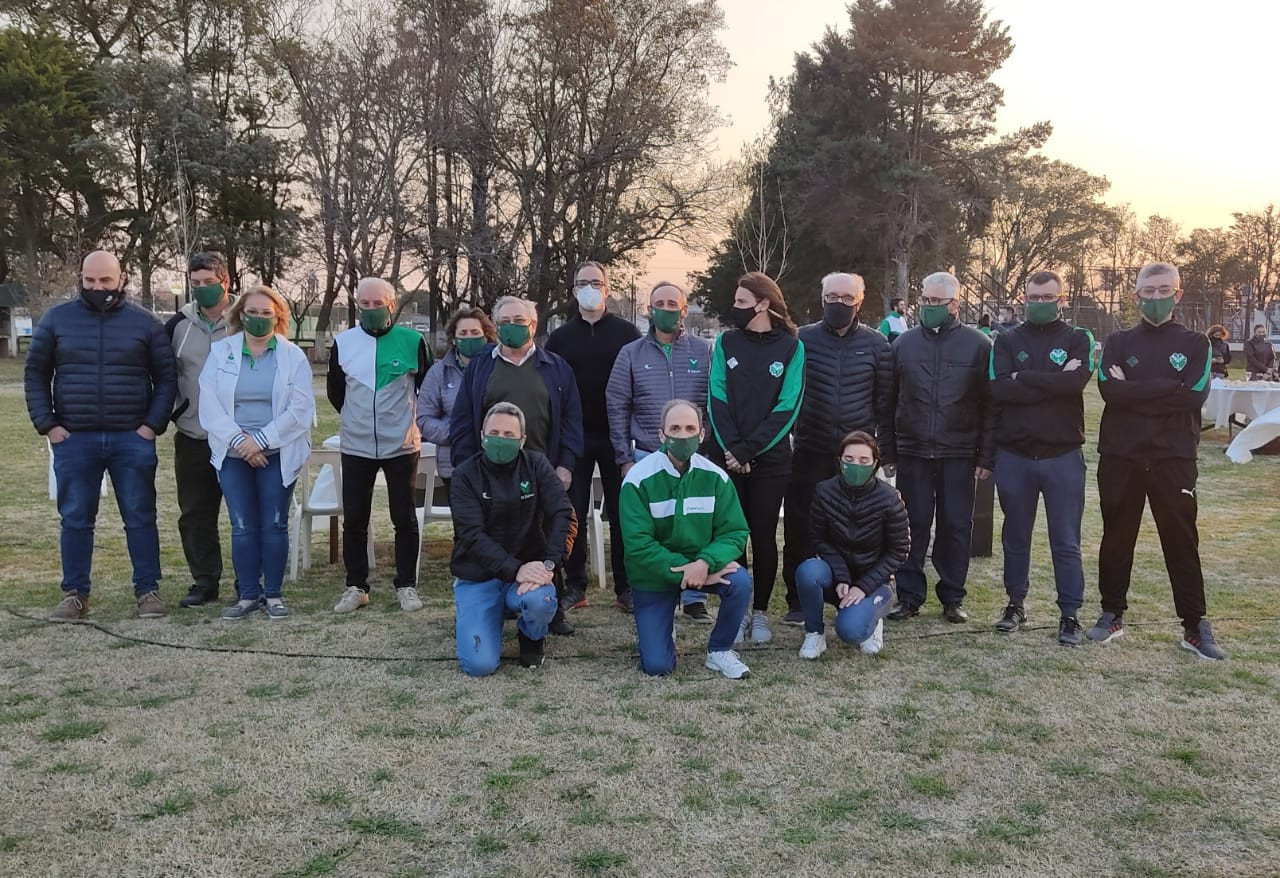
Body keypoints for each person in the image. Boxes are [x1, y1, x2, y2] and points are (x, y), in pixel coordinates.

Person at [25, 250, 177, 621]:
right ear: (81, 278)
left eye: (105, 280)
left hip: (131, 439)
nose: (97, 287)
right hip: (75, 439)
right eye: (89, 280)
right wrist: (49, 425)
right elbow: (36, 374)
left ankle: (148, 591)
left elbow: (166, 378)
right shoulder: (57, 319)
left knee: (140, 517)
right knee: (76, 519)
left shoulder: (146, 323)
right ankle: (75, 594)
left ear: (121, 279)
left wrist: (150, 426)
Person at [1089, 262, 1225, 660]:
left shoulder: (1197, 344)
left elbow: (1193, 396)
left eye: (1164, 290)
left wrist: (1134, 390)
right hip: (1121, 456)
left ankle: (1194, 625)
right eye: (1148, 291)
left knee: (1181, 540)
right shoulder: (1117, 342)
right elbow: (1110, 392)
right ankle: (1111, 612)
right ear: (1136, 296)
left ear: (1177, 294)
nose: (1155, 297)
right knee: (1116, 537)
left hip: (1173, 458)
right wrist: (1167, 388)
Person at [449, 295, 583, 635]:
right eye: (504, 321)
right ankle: (496, 600)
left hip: (541, 469)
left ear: (533, 326)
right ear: (495, 327)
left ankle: (550, 608)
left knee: (545, 535)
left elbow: (571, 419)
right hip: (489, 469)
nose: (511, 327)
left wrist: (566, 464)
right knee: (492, 532)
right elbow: (462, 420)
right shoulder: (481, 366)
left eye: (518, 321)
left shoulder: (556, 367)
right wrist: (466, 468)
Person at [988, 270, 1094, 645]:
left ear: (1062, 300)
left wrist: (1025, 377)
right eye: (1034, 297)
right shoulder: (1006, 339)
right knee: (1015, 537)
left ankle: (1070, 614)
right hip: (1015, 456)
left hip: (1063, 455)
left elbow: (1075, 382)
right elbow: (999, 388)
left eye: (1048, 297)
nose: (1040, 303)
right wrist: (1053, 381)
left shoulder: (1079, 338)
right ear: (1025, 299)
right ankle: (1015, 605)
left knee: (1065, 541)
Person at [884, 271, 995, 624]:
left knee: (956, 526)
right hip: (913, 451)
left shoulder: (979, 345)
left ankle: (952, 596)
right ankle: (909, 596)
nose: (928, 306)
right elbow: (887, 402)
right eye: (925, 300)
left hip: (959, 452)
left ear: (954, 305)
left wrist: (986, 455)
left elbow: (990, 406)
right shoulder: (903, 345)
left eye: (936, 301)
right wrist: (888, 451)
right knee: (912, 524)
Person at [198, 285, 315, 619]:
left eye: (267, 313)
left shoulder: (293, 356)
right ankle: (248, 595)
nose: (260, 318)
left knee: (275, 524)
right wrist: (241, 442)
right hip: (233, 453)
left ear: (277, 317)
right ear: (241, 315)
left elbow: (300, 409)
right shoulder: (221, 352)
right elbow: (209, 403)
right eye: (253, 312)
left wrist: (261, 440)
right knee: (242, 525)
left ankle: (273, 594)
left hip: (277, 452)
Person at [782, 272, 891, 627]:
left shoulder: (877, 345)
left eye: (847, 298)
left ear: (859, 302)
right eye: (832, 296)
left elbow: (884, 402)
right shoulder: (801, 340)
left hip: (855, 458)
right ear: (822, 297)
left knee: (859, 529)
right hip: (810, 449)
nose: (838, 303)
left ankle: (855, 593)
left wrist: (882, 450)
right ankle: (797, 599)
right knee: (800, 526)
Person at [619, 399, 753, 679]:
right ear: (661, 435)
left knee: (740, 581)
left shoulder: (716, 477)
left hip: (702, 566)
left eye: (690, 428)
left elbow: (735, 533)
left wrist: (704, 563)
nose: (683, 435)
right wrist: (688, 572)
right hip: (653, 576)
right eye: (675, 428)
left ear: (702, 434)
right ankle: (663, 625)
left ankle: (719, 650)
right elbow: (638, 546)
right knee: (658, 667)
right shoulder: (637, 479)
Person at [606, 280, 715, 622]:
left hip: (693, 455)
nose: (666, 309)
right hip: (647, 455)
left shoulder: (703, 351)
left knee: (695, 525)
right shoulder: (630, 353)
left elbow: (714, 402)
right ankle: (655, 590)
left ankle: (694, 595)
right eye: (660, 304)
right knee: (650, 529)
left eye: (672, 304)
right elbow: (617, 404)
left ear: (683, 310)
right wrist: (624, 457)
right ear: (649, 310)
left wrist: (706, 443)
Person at [708, 271, 805, 645]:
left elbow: (788, 407)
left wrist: (750, 450)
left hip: (770, 461)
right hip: (728, 456)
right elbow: (716, 398)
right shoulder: (725, 342)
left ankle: (761, 612)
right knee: (733, 537)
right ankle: (738, 611)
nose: (735, 308)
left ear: (763, 304)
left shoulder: (792, 347)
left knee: (763, 536)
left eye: (742, 302)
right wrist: (734, 449)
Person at [327, 277, 430, 615]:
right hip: (356, 446)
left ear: (391, 304)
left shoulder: (413, 341)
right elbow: (336, 393)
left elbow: (426, 388)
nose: (370, 309)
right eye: (364, 304)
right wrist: (357, 421)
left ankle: (406, 585)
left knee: (404, 518)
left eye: (377, 303)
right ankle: (356, 586)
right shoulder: (343, 343)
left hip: (401, 445)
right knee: (355, 519)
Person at [449, 402, 575, 675]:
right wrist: (514, 568)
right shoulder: (464, 475)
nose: (500, 440)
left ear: (522, 440)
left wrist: (550, 565)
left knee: (542, 602)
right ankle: (476, 613)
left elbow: (564, 514)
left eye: (509, 435)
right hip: (479, 575)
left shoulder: (537, 465)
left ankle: (531, 636)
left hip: (528, 574)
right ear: (482, 435)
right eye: (494, 433)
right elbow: (471, 535)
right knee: (479, 666)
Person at [546, 261, 641, 612]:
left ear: (607, 288)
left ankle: (625, 587)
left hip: (618, 438)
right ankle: (575, 585)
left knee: (621, 513)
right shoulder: (560, 338)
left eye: (596, 282)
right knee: (572, 512)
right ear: (573, 290)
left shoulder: (627, 334)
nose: (589, 288)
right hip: (574, 439)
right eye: (582, 283)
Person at [794, 431, 909, 659]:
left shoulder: (890, 498)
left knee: (850, 631)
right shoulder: (824, 491)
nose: (856, 465)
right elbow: (819, 538)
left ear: (875, 463)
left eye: (864, 460)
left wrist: (863, 586)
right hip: (838, 578)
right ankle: (814, 633)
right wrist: (842, 577)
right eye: (849, 459)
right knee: (808, 571)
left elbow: (899, 550)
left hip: (875, 581)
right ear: (839, 460)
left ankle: (873, 620)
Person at [166, 252, 237, 608]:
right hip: (194, 436)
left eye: (210, 282)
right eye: (196, 283)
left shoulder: (246, 319)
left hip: (239, 440)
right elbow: (164, 373)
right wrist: (172, 413)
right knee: (195, 514)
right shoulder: (178, 325)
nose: (203, 288)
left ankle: (249, 581)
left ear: (226, 281)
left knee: (245, 515)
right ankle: (205, 581)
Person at [416, 306, 497, 501]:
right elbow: (424, 418)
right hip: (454, 464)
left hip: (496, 461)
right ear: (453, 339)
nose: (469, 337)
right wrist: (458, 433)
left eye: (475, 332)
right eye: (463, 333)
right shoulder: (438, 373)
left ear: (486, 336)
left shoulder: (500, 369)